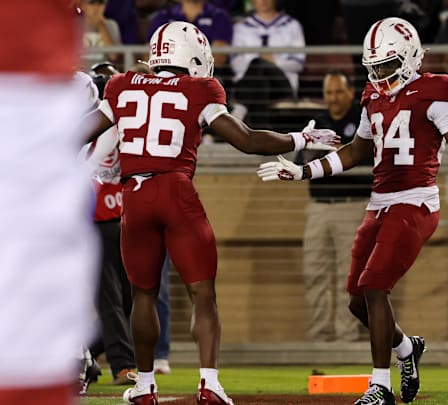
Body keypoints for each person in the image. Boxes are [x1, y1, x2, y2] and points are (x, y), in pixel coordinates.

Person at [79, 21, 338, 405]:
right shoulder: (200, 89)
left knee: (142, 295)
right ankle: (209, 383)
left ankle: (145, 385)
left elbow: (74, 134)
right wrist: (300, 138)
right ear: (193, 56)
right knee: (202, 293)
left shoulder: (122, 85)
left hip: (134, 195)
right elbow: (246, 140)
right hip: (175, 191)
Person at [257, 17, 448, 405]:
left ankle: (379, 385)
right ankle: (405, 350)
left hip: (415, 201)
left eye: (387, 66)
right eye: (374, 67)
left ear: (412, 57)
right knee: (356, 301)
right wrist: (303, 171)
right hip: (379, 203)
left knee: (375, 287)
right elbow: (355, 151)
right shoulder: (372, 96)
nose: (380, 76)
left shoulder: (434, 90)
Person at [0, 2, 99, 405]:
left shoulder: (72, 85)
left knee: (47, 273)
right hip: (52, 186)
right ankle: (78, 357)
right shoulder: (79, 84)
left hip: (51, 189)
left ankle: (74, 358)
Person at [295, 71, 372, 342]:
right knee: (314, 273)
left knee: (347, 276)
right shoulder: (318, 123)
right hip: (318, 207)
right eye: (329, 93)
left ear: (351, 92)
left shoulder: (361, 121)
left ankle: (346, 338)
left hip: (352, 206)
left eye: (339, 92)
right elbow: (299, 163)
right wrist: (310, 145)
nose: (334, 98)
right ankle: (320, 337)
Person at [79, 71, 137, 387]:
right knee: (110, 298)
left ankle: (82, 354)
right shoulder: (89, 130)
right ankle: (122, 365)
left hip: (120, 218)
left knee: (127, 300)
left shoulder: (126, 127)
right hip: (93, 222)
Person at [230, 0, 305, 127]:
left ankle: (238, 113)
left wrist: (272, 62)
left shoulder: (292, 25)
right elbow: (236, 64)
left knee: (258, 63)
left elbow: (298, 63)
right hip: (250, 85)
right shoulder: (241, 27)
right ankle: (262, 135)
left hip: (282, 84)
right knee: (260, 81)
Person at [147, 0, 233, 67]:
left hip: (207, 78)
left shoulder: (219, 16)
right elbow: (148, 55)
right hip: (170, 76)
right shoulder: (163, 16)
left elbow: (218, 57)